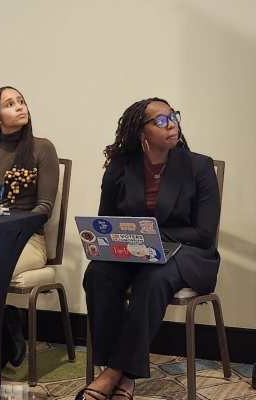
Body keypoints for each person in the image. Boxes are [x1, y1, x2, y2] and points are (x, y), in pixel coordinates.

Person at [79, 98, 221, 400]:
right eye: (160, 121)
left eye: (173, 117)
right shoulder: (120, 167)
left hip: (188, 254)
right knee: (98, 273)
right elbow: (108, 221)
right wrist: (121, 238)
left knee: (154, 278)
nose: (171, 124)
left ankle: (117, 374)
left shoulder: (198, 166)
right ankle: (117, 370)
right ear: (140, 133)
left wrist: (151, 235)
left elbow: (204, 233)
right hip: (135, 251)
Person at [0, 86, 59, 368]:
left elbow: (44, 208)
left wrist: (11, 232)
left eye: (21, 101)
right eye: (10, 104)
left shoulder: (42, 148)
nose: (20, 107)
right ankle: (4, 321)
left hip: (29, 240)